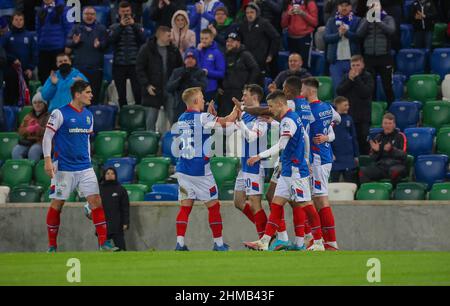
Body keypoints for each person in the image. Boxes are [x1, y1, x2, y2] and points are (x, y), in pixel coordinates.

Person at [43, 80, 118, 252]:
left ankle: (103, 244)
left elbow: (85, 141)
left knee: (96, 201)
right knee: (58, 204)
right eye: (88, 92)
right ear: (78, 94)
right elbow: (47, 137)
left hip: (84, 167)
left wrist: (88, 160)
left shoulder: (88, 115)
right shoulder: (59, 113)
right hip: (63, 168)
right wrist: (48, 160)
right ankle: (52, 246)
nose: (91, 95)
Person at [243, 90, 323, 251]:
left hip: (296, 171)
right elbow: (305, 138)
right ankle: (265, 241)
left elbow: (281, 145)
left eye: (272, 107)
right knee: (277, 204)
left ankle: (319, 242)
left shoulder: (288, 121)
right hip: (287, 171)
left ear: (280, 104)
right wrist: (306, 158)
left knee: (307, 205)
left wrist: (259, 156)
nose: (270, 110)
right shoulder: (292, 118)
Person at [173, 87, 240, 251]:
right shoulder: (202, 116)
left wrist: (212, 116)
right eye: (202, 98)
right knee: (213, 206)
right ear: (196, 101)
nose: (204, 100)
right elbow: (227, 122)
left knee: (185, 207)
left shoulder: (181, 118)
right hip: (200, 171)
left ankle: (180, 243)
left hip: (183, 169)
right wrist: (237, 109)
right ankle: (218, 244)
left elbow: (205, 126)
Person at [304, 77, 341, 251]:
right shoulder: (327, 107)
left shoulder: (309, 111)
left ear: (310, 91)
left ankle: (330, 242)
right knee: (314, 199)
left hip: (317, 160)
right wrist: (327, 135)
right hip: (325, 157)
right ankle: (322, 240)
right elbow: (337, 119)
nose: (300, 92)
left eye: (302, 89)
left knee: (320, 199)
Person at [229, 85, 268, 239]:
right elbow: (227, 128)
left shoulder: (262, 116)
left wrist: (239, 121)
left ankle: (264, 239)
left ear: (255, 97)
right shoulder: (244, 113)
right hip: (244, 164)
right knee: (238, 202)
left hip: (255, 164)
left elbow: (252, 136)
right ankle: (267, 233)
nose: (243, 98)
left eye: (245, 95)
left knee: (254, 202)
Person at [136, 26, 183, 130]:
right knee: (150, 121)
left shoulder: (174, 50)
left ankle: (177, 143)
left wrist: (176, 84)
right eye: (168, 35)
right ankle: (149, 145)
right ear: (160, 35)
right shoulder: (146, 49)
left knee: (174, 119)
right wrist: (147, 85)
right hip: (152, 90)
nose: (171, 38)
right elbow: (139, 69)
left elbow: (180, 69)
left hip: (170, 90)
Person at [66, 6, 108, 105]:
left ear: (95, 16)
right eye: (87, 14)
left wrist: (100, 44)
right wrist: (74, 42)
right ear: (82, 15)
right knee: (78, 97)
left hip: (96, 69)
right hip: (80, 69)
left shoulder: (101, 28)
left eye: (92, 14)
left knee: (93, 97)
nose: (89, 16)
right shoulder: (76, 28)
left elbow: (107, 44)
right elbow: (67, 42)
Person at [357, 0, 396, 106]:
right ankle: (373, 109)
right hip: (369, 57)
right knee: (371, 86)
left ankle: (391, 108)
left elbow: (391, 30)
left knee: (387, 86)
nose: (374, 8)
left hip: (384, 56)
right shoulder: (365, 20)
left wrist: (378, 21)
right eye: (371, 7)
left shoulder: (388, 18)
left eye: (376, 6)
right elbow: (359, 33)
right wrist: (368, 20)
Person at [109, 1, 146, 107]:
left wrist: (134, 25)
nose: (126, 13)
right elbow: (110, 41)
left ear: (131, 12)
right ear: (119, 12)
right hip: (118, 65)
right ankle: (123, 117)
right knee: (121, 95)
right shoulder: (114, 27)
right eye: (123, 11)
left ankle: (139, 116)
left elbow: (144, 40)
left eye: (127, 11)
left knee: (138, 93)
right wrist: (120, 26)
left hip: (134, 64)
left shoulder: (138, 26)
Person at [336, 55, 374, 155]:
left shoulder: (368, 77)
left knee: (363, 141)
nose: (356, 67)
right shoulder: (346, 77)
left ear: (363, 65)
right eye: (353, 65)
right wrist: (349, 80)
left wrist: (356, 79)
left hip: (364, 117)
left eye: (358, 65)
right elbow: (339, 91)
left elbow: (365, 93)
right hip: (350, 115)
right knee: (350, 141)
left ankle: (364, 163)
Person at [359, 113, 408, 185]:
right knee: (362, 171)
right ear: (382, 124)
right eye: (385, 123)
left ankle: (392, 194)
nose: (387, 126)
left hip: (397, 165)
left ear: (394, 125)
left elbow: (404, 155)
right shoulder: (378, 137)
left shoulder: (400, 136)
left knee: (394, 171)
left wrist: (391, 150)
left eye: (390, 123)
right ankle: (372, 192)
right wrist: (376, 151)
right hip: (381, 166)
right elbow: (373, 158)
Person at [219, 32, 259, 117]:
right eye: (228, 41)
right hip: (226, 91)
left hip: (239, 91)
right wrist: (220, 86)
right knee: (225, 116)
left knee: (239, 116)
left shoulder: (245, 54)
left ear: (238, 42)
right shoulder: (224, 55)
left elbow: (255, 69)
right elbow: (220, 71)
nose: (229, 43)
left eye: (232, 41)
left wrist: (248, 85)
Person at [323, 0, 361, 92]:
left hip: (352, 62)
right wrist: (338, 34)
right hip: (336, 62)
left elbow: (359, 38)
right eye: (341, 5)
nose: (344, 8)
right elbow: (326, 38)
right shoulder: (331, 21)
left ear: (351, 7)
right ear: (338, 7)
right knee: (338, 89)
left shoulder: (357, 20)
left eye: (346, 6)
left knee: (353, 89)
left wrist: (347, 33)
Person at [238, 3, 280, 81]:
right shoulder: (243, 24)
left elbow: (276, 37)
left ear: (257, 12)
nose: (249, 15)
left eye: (252, 12)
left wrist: (271, 54)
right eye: (247, 13)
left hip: (261, 60)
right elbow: (240, 40)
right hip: (247, 59)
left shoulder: (264, 23)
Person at [2, 12, 37, 106]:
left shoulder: (29, 36)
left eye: (21, 20)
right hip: (10, 71)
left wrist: (30, 68)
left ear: (24, 21)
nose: (18, 22)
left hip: (25, 72)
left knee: (24, 96)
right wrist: (12, 59)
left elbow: (34, 53)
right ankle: (10, 118)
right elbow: (2, 51)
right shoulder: (7, 36)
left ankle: (24, 117)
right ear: (12, 21)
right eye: (16, 20)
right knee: (10, 96)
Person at [36, 0, 73, 85]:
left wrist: (68, 44)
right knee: (43, 77)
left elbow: (69, 29)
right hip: (43, 49)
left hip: (59, 49)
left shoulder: (65, 9)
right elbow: (38, 30)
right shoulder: (40, 10)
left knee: (60, 77)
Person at [166, 48, 208, 122]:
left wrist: (191, 80)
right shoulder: (177, 72)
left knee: (196, 131)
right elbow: (169, 87)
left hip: (195, 109)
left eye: (192, 58)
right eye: (188, 58)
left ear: (196, 60)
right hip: (179, 107)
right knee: (177, 131)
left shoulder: (200, 72)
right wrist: (180, 80)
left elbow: (204, 87)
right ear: (184, 60)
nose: (190, 60)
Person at [12, 92, 49, 162]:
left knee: (33, 151)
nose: (37, 105)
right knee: (16, 151)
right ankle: (22, 171)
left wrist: (38, 128)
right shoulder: (28, 116)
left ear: (45, 104)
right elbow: (20, 131)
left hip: (41, 142)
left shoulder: (49, 116)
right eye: (35, 103)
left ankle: (33, 171)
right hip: (28, 141)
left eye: (40, 102)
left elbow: (50, 132)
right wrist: (28, 129)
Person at [99, 167, 130, 251]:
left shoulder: (121, 189)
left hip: (117, 224)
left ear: (115, 175)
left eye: (112, 173)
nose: (110, 175)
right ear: (104, 175)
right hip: (103, 225)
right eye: (108, 173)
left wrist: (125, 222)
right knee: (104, 251)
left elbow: (125, 207)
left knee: (122, 250)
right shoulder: (98, 190)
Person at [281, 0, 318, 69]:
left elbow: (314, 22)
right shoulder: (288, 3)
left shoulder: (310, 3)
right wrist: (288, 14)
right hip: (291, 37)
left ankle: (305, 79)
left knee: (304, 64)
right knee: (292, 65)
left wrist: (302, 13)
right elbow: (283, 24)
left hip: (305, 37)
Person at [330, 96, 359, 183]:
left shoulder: (349, 119)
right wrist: (330, 153)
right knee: (334, 184)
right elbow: (327, 138)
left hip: (349, 158)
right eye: (345, 105)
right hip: (335, 157)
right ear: (337, 105)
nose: (348, 107)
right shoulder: (331, 120)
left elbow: (354, 137)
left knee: (351, 183)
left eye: (348, 105)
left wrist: (356, 155)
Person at [197, 28, 225, 103]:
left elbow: (221, 73)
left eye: (206, 38)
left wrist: (208, 72)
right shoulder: (198, 51)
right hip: (197, 88)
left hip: (210, 89)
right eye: (202, 38)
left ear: (212, 38)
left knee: (208, 114)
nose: (204, 40)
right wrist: (198, 52)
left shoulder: (217, 53)